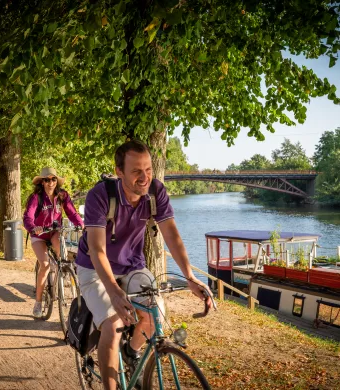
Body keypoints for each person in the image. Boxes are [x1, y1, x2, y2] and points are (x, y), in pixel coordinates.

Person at [75, 140, 213, 390]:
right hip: (94, 267)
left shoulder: (155, 192)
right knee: (113, 323)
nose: (144, 177)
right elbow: (97, 249)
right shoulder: (101, 195)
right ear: (119, 171)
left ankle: (131, 351)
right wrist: (115, 294)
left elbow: (172, 235)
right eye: (136, 171)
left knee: (155, 314)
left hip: (132, 264)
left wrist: (190, 277)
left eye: (148, 169)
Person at [23, 167, 84, 318]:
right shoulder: (36, 197)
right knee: (44, 264)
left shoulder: (62, 196)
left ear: (57, 181)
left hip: (54, 231)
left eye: (53, 179)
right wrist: (33, 227)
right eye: (47, 180)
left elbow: (72, 213)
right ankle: (38, 303)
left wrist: (81, 225)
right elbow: (28, 217)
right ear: (42, 182)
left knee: (62, 255)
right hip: (39, 234)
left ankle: (62, 274)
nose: (50, 183)